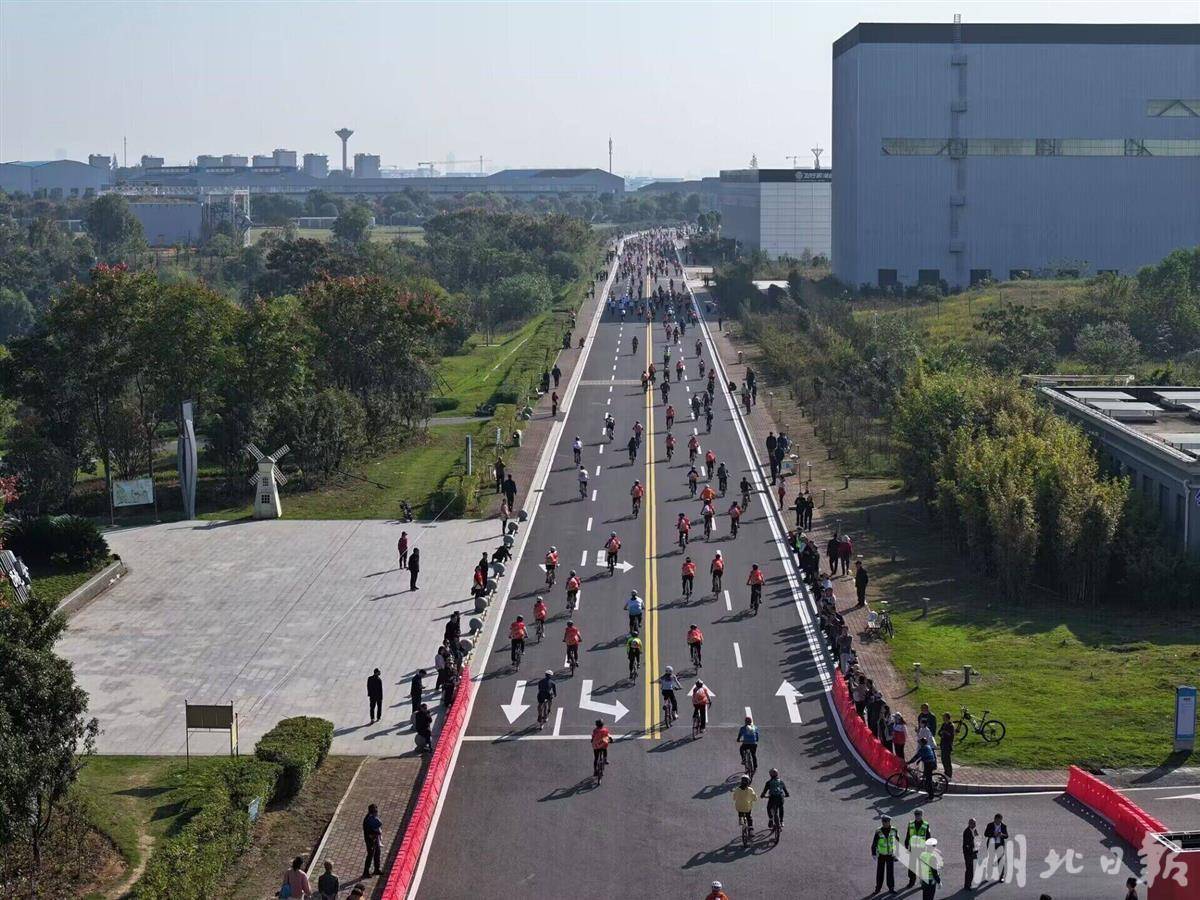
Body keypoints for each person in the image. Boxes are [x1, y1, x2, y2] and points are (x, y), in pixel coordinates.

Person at [904, 808, 933, 889]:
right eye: (916, 815)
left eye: (919, 815)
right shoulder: (911, 824)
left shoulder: (926, 824)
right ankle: (911, 882)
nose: (917, 816)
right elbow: (908, 834)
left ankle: (923, 883)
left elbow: (928, 837)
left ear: (921, 815)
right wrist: (906, 843)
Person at [870, 814, 899, 894]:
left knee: (890, 873)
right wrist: (873, 853)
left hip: (890, 855)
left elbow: (897, 842)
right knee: (880, 873)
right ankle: (878, 888)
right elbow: (874, 843)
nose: (884, 823)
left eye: (886, 821)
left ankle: (891, 888)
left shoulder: (894, 830)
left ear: (889, 822)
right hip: (881, 855)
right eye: (883, 821)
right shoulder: (878, 831)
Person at [982, 813, 1009, 883]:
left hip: (1000, 845)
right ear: (994, 819)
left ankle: (1001, 877)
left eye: (999, 820)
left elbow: (1006, 836)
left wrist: (1002, 834)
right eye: (996, 820)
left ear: (1001, 820)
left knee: (1001, 861)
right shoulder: (990, 825)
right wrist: (993, 834)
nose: (998, 822)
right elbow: (985, 834)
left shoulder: (1003, 826)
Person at [361, 804, 383, 878]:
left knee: (377, 853)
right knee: (370, 855)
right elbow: (368, 832)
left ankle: (377, 869)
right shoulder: (368, 820)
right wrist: (376, 833)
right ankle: (366, 872)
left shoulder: (373, 817)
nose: (377, 813)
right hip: (370, 840)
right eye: (375, 811)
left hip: (375, 838)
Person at [962, 817, 979, 891]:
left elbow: (978, 840)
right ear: (969, 824)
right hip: (968, 854)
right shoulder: (966, 832)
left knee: (971, 869)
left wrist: (977, 837)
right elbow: (968, 844)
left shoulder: (974, 830)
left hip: (973, 852)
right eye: (972, 823)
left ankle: (968, 884)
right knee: (969, 870)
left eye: (974, 823)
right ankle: (967, 885)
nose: (974, 824)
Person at [939, 713, 956, 779]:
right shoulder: (944, 724)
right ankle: (945, 773)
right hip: (943, 744)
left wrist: (945, 733)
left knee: (947, 761)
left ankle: (949, 775)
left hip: (947, 745)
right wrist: (941, 733)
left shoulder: (951, 726)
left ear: (947, 717)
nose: (943, 718)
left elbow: (951, 736)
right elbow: (939, 732)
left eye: (944, 717)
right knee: (943, 760)